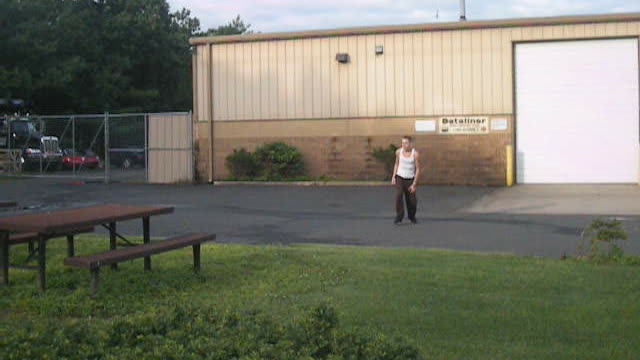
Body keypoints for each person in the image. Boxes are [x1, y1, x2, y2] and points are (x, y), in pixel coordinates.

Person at [391, 136, 420, 224]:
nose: (404, 145)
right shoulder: (398, 152)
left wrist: (414, 184)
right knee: (399, 194)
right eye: (403, 143)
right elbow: (396, 164)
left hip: (410, 178)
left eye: (406, 143)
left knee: (412, 200)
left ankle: (412, 216)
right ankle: (399, 216)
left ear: (410, 144)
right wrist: (393, 176)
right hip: (400, 177)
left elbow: (418, 169)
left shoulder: (415, 154)